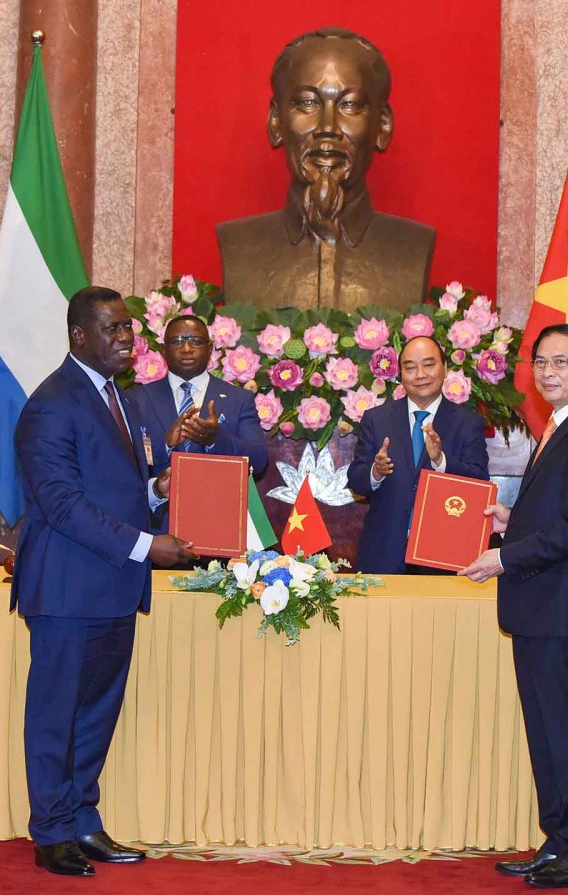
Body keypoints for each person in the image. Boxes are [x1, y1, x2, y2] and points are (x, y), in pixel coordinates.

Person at [13, 286, 195, 877]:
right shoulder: (51, 404)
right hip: (68, 591)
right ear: (79, 337)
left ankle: (83, 821)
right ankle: (51, 832)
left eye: (128, 329)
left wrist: (154, 493)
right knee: (56, 714)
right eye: (113, 329)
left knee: (95, 714)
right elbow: (62, 505)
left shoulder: (116, 397)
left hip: (112, 588)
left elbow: (109, 487)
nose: (126, 339)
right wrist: (149, 546)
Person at [459, 324, 568, 890]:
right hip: (541, 609)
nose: (548, 372)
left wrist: (504, 559)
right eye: (541, 363)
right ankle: (558, 841)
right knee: (548, 734)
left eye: (561, 362)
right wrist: (513, 524)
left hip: (564, 612)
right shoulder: (563, 425)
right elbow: (558, 515)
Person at [216, 27, 435, 311]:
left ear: (382, 126)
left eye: (350, 105)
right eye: (308, 103)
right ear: (275, 122)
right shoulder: (239, 246)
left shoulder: (412, 247)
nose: (327, 128)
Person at [348, 335, 489, 574]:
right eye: (410, 367)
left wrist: (440, 461)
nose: (420, 374)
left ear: (445, 368)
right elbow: (356, 480)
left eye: (429, 364)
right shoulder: (377, 419)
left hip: (442, 556)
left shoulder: (468, 423)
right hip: (384, 554)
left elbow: (479, 481)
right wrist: (376, 471)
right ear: (401, 375)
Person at [130, 314, 269, 532]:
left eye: (195, 341)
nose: (186, 348)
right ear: (164, 349)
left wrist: (216, 439)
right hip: (157, 531)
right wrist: (166, 445)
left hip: (220, 527)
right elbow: (124, 465)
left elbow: (259, 460)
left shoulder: (238, 399)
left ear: (210, 347)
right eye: (176, 341)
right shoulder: (136, 399)